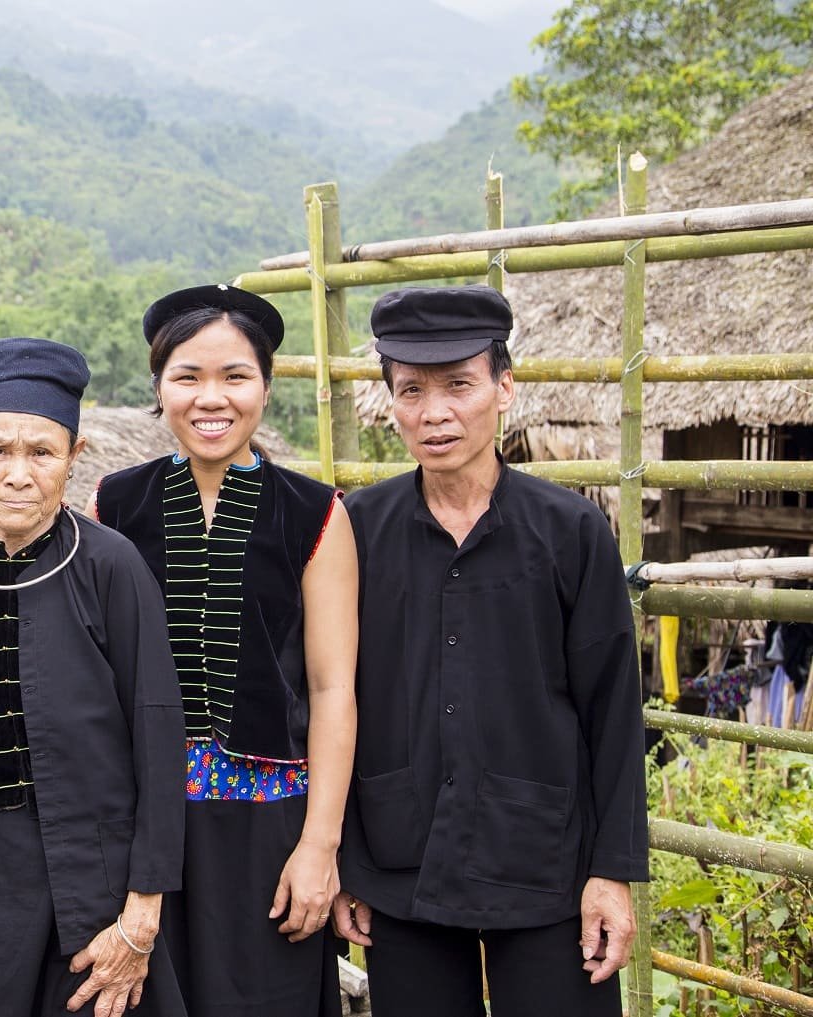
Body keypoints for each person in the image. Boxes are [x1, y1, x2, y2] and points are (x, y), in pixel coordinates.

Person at [333, 285, 648, 1017]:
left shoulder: (569, 531)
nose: (434, 411)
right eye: (411, 390)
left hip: (544, 862)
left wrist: (612, 871)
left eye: (459, 385)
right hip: (400, 859)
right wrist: (347, 859)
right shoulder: (356, 529)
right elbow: (331, 694)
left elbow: (614, 710)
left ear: (504, 388)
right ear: (390, 401)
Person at [0, 338, 187, 1017]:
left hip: (83, 873)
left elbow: (159, 734)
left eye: (41, 452)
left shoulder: (112, 565)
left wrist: (143, 908)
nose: (18, 473)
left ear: (74, 458)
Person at [91, 284, 358, 1017]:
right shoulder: (115, 505)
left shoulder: (315, 511)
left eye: (235, 376)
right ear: (159, 388)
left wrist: (320, 847)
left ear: (266, 387)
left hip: (269, 831)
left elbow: (333, 688)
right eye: (188, 376)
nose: (212, 398)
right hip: (142, 832)